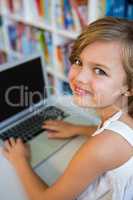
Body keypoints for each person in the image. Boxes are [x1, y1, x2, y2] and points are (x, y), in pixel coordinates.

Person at [2, 16, 133, 200]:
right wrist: (78, 129)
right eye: (79, 61)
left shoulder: (102, 146)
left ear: (129, 87)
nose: (79, 78)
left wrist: (20, 160)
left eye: (99, 70)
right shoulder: (125, 117)